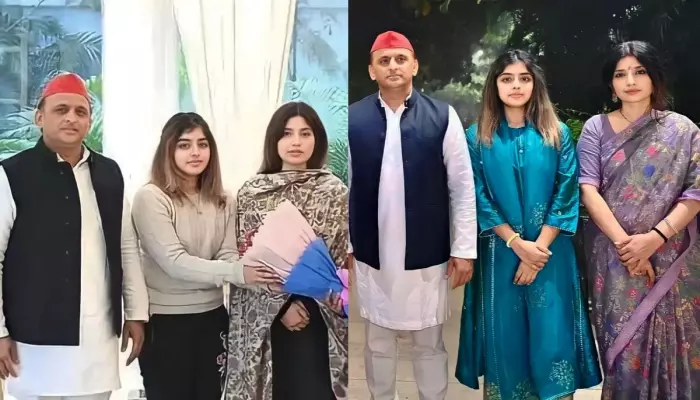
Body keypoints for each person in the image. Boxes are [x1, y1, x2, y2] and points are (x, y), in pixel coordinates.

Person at [455, 49, 601, 400]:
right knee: (505, 338)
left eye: (524, 78)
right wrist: (517, 244)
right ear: (495, 86)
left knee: (554, 336)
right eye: (507, 79)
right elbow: (476, 195)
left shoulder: (557, 134)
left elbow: (566, 193)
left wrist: (538, 250)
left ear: (536, 85)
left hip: (551, 256)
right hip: (500, 253)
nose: (516, 86)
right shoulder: (476, 137)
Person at [0, 72, 149, 400]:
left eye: (80, 111)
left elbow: (126, 247)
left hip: (97, 338)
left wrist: (136, 313)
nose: (71, 118)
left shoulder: (109, 173)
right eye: (61, 109)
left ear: (89, 121)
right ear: (40, 117)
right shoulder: (11, 174)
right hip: (31, 341)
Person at [348, 30, 476, 400]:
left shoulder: (442, 117)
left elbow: (462, 187)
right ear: (371, 70)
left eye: (401, 59)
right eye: (384, 60)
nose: (393, 66)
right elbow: (346, 185)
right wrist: (347, 243)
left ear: (415, 66)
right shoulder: (353, 118)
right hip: (372, 252)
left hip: (426, 253)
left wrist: (464, 249)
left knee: (428, 342)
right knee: (377, 341)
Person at [578, 40, 700, 400]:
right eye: (621, 74)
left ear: (654, 77)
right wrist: (627, 247)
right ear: (611, 83)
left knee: (679, 346)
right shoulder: (596, 128)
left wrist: (655, 238)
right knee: (624, 352)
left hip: (672, 257)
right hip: (616, 261)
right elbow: (588, 189)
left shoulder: (683, 130)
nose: (630, 81)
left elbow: (695, 192)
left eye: (639, 71)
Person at [130, 112, 279, 400]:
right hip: (166, 322)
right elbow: (174, 262)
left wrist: (256, 271)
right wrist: (238, 272)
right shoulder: (151, 197)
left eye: (202, 144)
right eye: (184, 145)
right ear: (167, 150)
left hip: (213, 318)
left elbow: (227, 253)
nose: (195, 152)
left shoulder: (224, 199)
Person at [224, 101, 348, 400]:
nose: (296, 142)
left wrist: (338, 295)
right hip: (269, 321)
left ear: (317, 139)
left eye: (305, 133)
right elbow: (243, 261)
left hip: (321, 319)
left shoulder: (334, 192)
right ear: (274, 140)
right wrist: (281, 308)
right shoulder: (252, 194)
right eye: (287, 133)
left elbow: (342, 259)